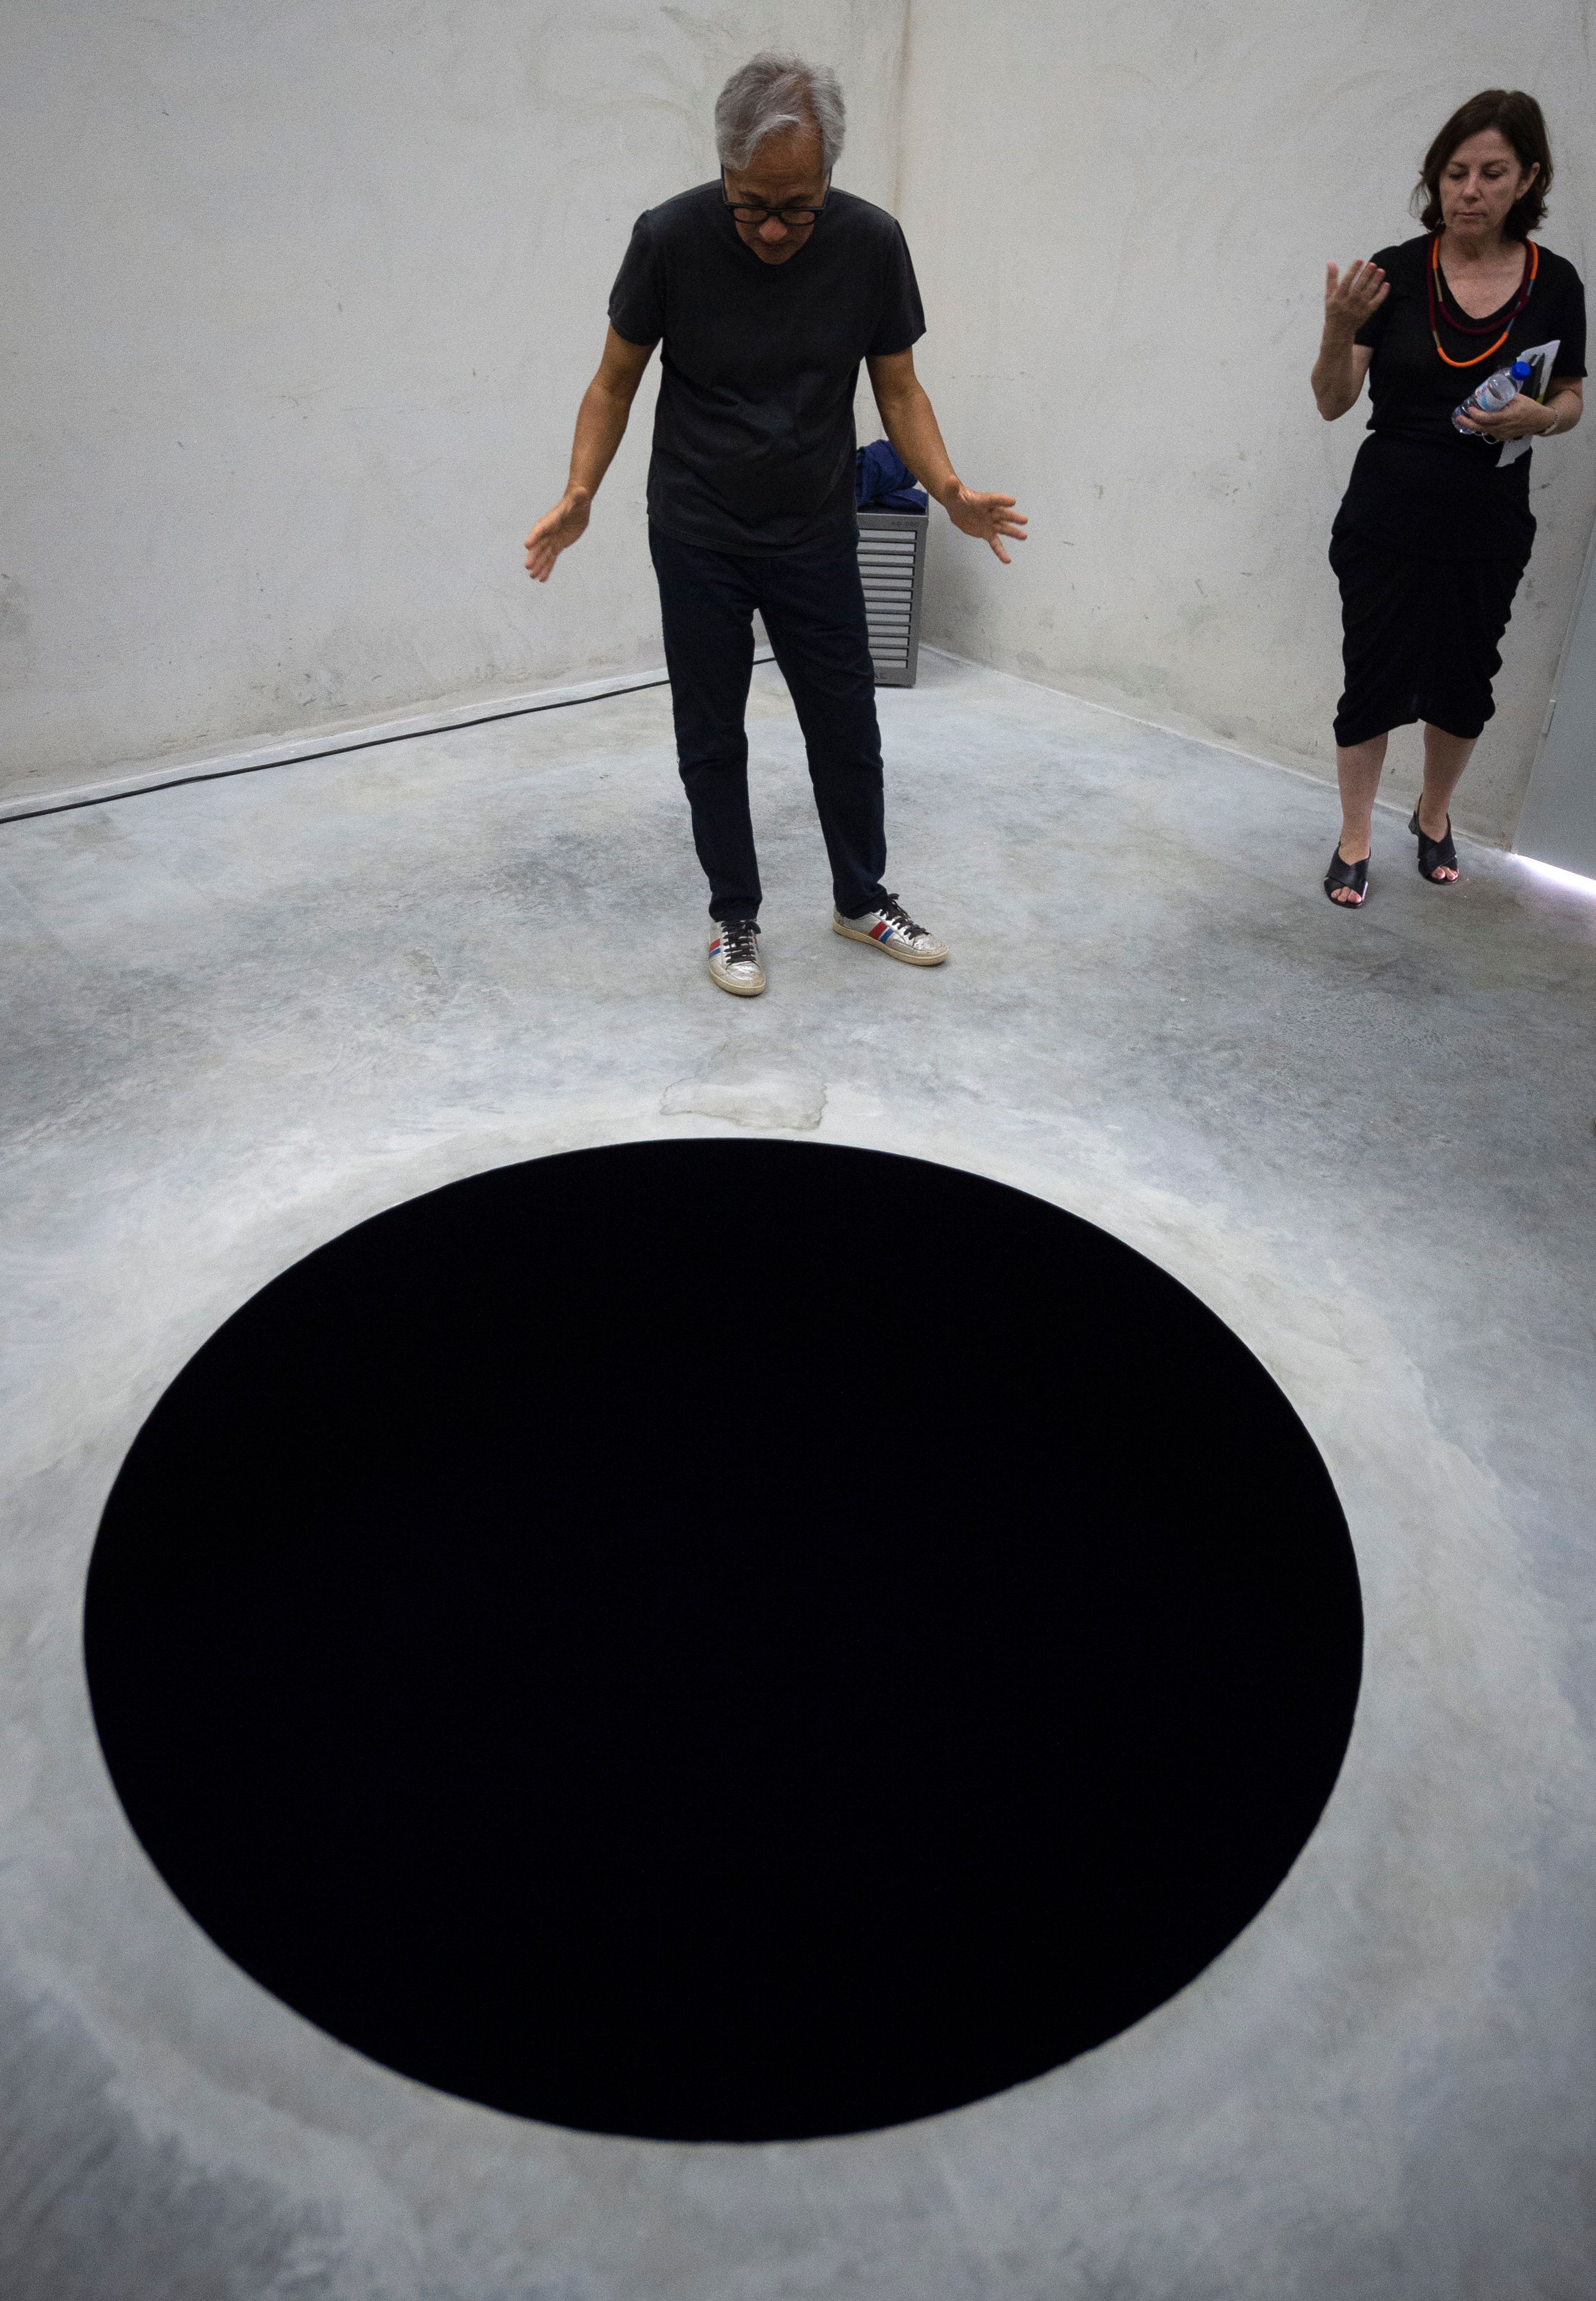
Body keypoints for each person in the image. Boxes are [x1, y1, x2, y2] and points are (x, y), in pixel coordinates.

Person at [524, 52, 1026, 994]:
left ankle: (861, 899)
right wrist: (582, 488)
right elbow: (613, 382)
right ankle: (733, 917)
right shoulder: (669, 237)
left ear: (828, 174)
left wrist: (949, 488)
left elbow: (900, 389)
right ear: (723, 168)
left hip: (814, 528)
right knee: (711, 733)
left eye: (797, 208)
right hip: (697, 529)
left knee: (845, 725)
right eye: (749, 202)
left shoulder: (870, 243)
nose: (770, 228)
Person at [1311, 89, 1584, 907]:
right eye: (1454, 172)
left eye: (1491, 173)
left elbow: (1571, 396)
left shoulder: (1555, 282)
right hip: (1385, 517)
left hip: (1487, 525)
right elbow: (1332, 402)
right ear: (1435, 179)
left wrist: (1543, 416)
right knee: (1373, 679)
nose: (1469, 191)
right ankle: (1354, 836)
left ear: (1527, 178)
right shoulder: (1392, 272)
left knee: (1465, 684)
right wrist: (1336, 327)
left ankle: (1433, 816)